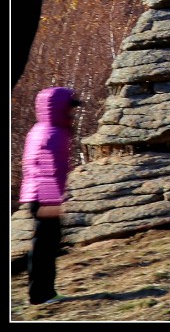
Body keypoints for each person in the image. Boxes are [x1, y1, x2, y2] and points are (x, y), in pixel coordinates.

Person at [18, 86, 77, 305]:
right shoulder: (53, 134)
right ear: (60, 108)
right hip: (44, 198)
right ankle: (42, 295)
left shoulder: (40, 129)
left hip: (38, 196)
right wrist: (52, 201)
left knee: (44, 246)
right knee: (45, 247)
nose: (73, 112)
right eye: (70, 107)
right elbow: (43, 168)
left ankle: (42, 293)